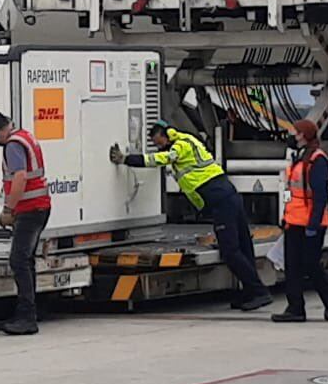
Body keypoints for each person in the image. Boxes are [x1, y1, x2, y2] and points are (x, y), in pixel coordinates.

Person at [110, 121, 272, 311]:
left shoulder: (180, 146)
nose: (158, 146)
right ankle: (251, 292)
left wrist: (125, 159)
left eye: (158, 141)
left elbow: (158, 160)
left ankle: (259, 292)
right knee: (244, 247)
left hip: (220, 199)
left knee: (230, 251)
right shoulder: (188, 139)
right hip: (228, 194)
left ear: (166, 135)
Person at [0, 109, 51, 336]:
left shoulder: (12, 145)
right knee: (26, 260)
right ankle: (28, 313)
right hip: (38, 207)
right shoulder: (25, 136)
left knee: (18, 260)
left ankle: (27, 317)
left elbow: (20, 176)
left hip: (30, 210)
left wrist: (8, 210)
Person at [272, 120, 328, 323]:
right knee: (291, 266)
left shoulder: (317, 160)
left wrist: (313, 224)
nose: (293, 135)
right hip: (293, 221)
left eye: (296, 132)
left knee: (311, 264)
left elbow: (320, 196)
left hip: (311, 223)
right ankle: (295, 309)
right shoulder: (297, 159)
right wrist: (284, 214)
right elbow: (288, 191)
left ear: (304, 135)